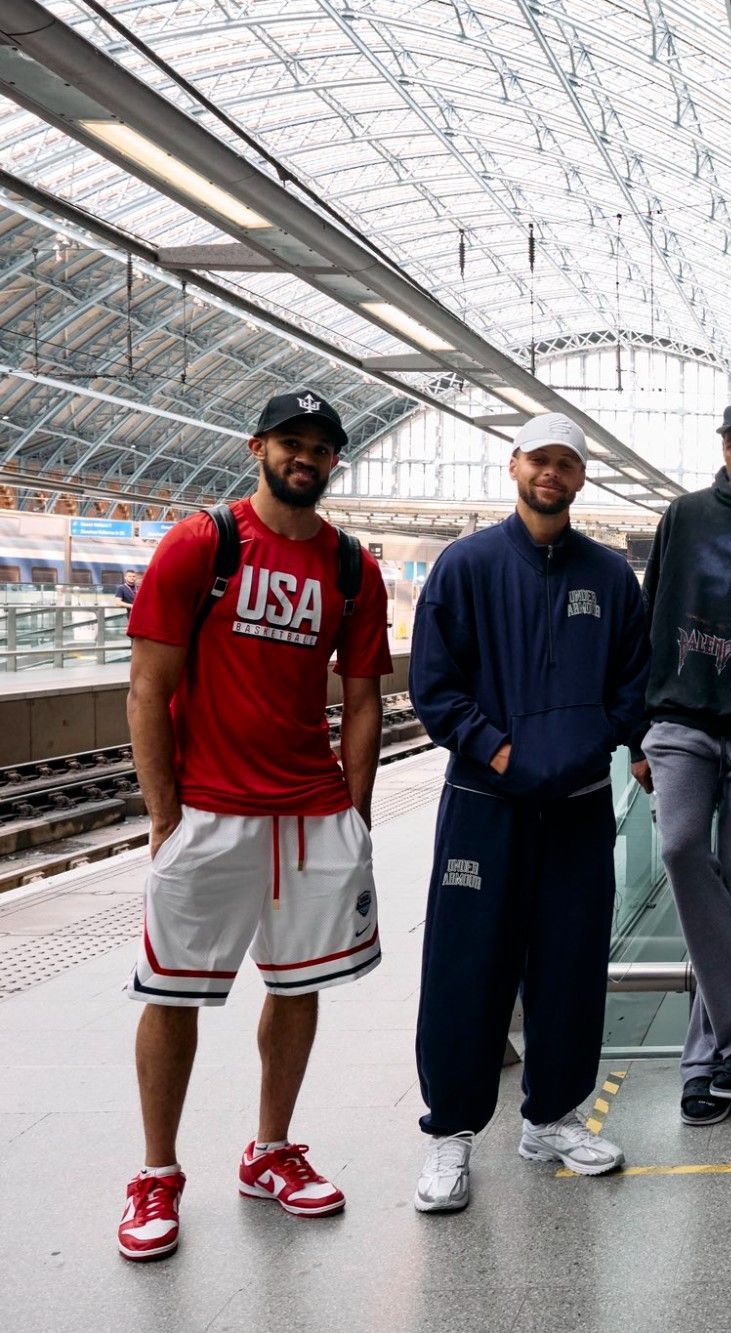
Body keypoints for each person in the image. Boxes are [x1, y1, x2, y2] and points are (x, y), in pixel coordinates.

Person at [119, 389, 392, 1262]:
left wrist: (354, 811)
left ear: (334, 461)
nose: (304, 455)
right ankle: (156, 1172)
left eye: (320, 445)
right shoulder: (205, 542)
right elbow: (147, 690)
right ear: (257, 447)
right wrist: (166, 813)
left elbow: (362, 697)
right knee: (173, 993)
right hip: (212, 810)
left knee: (296, 982)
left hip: (311, 811)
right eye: (290, 441)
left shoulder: (352, 566)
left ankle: (270, 1150)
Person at [408, 413, 649, 1213]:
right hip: (485, 806)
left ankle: (551, 1116)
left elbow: (633, 681)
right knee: (466, 967)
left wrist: (596, 743)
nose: (553, 474)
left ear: (582, 479)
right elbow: (435, 686)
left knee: (571, 967)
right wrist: (494, 748)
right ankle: (450, 1133)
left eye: (568, 464)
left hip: (578, 807)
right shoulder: (466, 565)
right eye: (540, 459)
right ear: (515, 465)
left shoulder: (611, 578)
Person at [630, 401, 731, 1129]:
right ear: (722, 448)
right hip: (681, 719)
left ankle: (708, 1067)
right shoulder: (684, 514)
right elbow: (648, 613)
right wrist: (636, 730)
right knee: (679, 846)